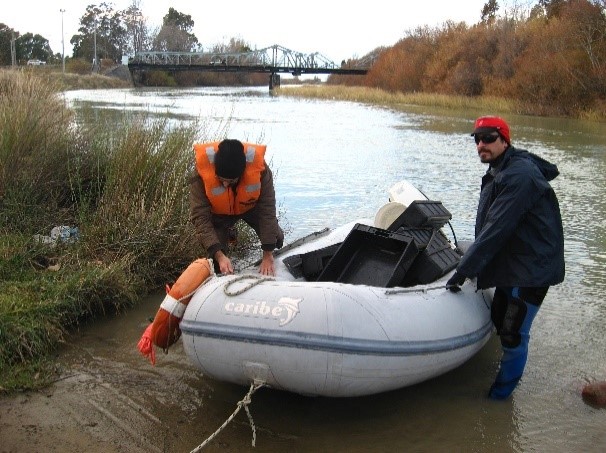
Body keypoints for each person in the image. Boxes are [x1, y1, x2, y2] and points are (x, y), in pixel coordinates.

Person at [446, 116, 565, 400]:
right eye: (476, 138)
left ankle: (499, 400)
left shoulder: (519, 175)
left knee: (513, 332)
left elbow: (496, 228)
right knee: (499, 315)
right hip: (516, 258)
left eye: (488, 137)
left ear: (504, 139)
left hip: (534, 267)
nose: (481, 145)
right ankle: (505, 368)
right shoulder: (502, 167)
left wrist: (464, 270)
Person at [189, 139, 284, 276]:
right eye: (221, 180)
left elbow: (267, 210)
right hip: (218, 213)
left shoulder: (261, 170)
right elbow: (200, 217)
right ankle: (221, 255)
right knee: (215, 262)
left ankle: (271, 247)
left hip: (249, 207)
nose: (226, 185)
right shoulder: (200, 174)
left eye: (231, 181)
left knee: (275, 239)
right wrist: (219, 255)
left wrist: (267, 254)